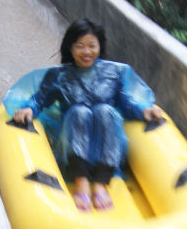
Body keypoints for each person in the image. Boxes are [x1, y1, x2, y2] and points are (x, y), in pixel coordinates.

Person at [12, 18, 164, 211]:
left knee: (104, 110)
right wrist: (29, 108)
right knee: (80, 112)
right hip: (73, 140)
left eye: (92, 46)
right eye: (80, 46)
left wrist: (144, 110)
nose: (86, 52)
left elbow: (125, 102)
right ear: (70, 48)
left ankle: (101, 182)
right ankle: (81, 181)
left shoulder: (112, 73)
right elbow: (41, 98)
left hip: (105, 142)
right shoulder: (59, 76)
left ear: (100, 46)